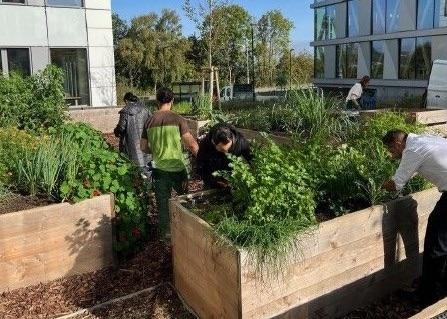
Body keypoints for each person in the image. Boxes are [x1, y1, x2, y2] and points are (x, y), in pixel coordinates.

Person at [382, 130, 447, 305]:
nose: (391, 154)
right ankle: (440, 284)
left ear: (396, 143)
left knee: (436, 244)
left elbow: (396, 185)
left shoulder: (412, 150)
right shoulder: (422, 138)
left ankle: (427, 296)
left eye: (391, 150)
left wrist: (379, 185)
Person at [140, 87, 199, 238]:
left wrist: (157, 151)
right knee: (183, 203)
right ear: (172, 101)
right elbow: (192, 145)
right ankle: (186, 232)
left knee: (163, 206)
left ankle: (166, 236)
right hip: (178, 169)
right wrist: (203, 157)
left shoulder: (149, 121)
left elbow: (143, 147)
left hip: (159, 171)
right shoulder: (178, 119)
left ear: (157, 101)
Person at [197, 123, 252, 189]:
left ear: (231, 139)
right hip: (214, 177)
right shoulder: (206, 144)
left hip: (233, 178)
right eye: (222, 150)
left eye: (229, 149)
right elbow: (201, 166)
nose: (227, 154)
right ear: (213, 143)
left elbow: (252, 161)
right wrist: (212, 181)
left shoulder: (241, 142)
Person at [114, 92, 151, 177]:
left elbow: (121, 127)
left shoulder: (126, 111)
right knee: (145, 168)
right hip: (145, 143)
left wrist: (116, 131)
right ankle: (147, 186)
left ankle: (134, 186)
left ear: (126, 100)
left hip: (130, 144)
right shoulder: (146, 109)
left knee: (130, 168)